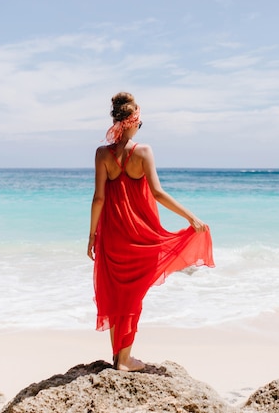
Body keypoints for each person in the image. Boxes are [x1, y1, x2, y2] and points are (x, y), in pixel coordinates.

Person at [87, 92, 214, 372]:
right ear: (132, 122)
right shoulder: (143, 152)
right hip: (140, 235)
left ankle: (118, 356)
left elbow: (98, 199)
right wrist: (191, 217)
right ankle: (125, 359)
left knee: (115, 294)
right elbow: (157, 193)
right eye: (139, 124)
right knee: (132, 295)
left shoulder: (101, 154)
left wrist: (92, 235)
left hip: (111, 234)